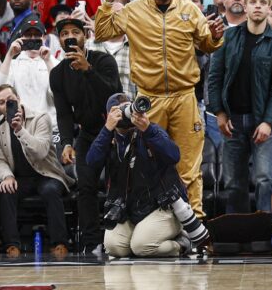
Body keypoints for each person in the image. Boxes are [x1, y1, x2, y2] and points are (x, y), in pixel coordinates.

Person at [93, 0, 224, 217]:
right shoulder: (133, 10)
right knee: (147, 162)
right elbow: (102, 31)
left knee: (188, 164)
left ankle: (194, 222)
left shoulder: (189, 9)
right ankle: (152, 221)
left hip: (184, 96)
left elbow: (207, 44)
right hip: (149, 99)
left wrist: (216, 36)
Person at [207, 0, 272, 214]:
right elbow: (214, 78)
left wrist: (268, 122)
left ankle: (266, 228)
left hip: (263, 120)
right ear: (245, 7)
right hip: (232, 120)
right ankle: (238, 227)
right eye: (253, 2)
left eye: (263, 3)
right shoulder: (228, 37)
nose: (257, 6)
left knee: (264, 179)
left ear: (269, 8)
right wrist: (219, 112)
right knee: (233, 182)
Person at [87, 93, 205, 258]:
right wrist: (107, 129)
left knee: (141, 246)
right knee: (114, 247)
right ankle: (145, 236)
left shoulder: (150, 130)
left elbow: (174, 155)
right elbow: (91, 163)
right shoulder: (109, 139)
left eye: (128, 108)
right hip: (129, 209)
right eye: (118, 111)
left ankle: (182, 243)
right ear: (108, 116)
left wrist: (148, 130)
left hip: (161, 206)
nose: (125, 114)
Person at [50, 15, 121, 255]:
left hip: (114, 131)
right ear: (59, 40)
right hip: (88, 134)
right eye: (64, 34)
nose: (70, 37)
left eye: (75, 32)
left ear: (86, 36)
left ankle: (118, 237)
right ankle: (92, 242)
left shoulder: (104, 60)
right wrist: (67, 142)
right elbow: (63, 113)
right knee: (85, 187)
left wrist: (88, 70)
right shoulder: (57, 73)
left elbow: (114, 94)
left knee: (118, 186)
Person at [0, 85, 72, 257]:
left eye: (10, 100)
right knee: (6, 190)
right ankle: (12, 245)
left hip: (47, 174)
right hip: (20, 177)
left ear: (18, 98)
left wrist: (20, 129)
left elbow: (41, 151)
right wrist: (7, 176)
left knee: (50, 190)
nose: (7, 104)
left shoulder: (41, 118)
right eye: (1, 102)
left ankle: (59, 243)